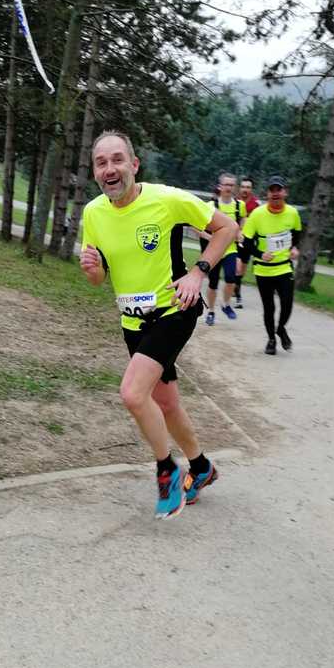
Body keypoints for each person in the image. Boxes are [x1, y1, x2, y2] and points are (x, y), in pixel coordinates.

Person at [80, 130, 238, 519]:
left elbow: (227, 229)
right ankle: (201, 467)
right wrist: (93, 268)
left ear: (134, 165)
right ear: (95, 172)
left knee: (133, 394)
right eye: (101, 163)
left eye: (117, 160)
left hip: (174, 310)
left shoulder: (167, 199)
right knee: (165, 403)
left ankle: (167, 470)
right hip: (132, 321)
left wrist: (198, 273)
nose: (109, 169)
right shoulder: (93, 213)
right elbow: (98, 279)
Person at [238, 174, 302, 355]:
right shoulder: (257, 214)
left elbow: (297, 233)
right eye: (272, 190)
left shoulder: (292, 213)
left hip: (284, 267)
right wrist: (260, 254)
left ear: (285, 192)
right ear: (267, 194)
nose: (275, 193)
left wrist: (294, 247)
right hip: (263, 270)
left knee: (287, 304)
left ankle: (280, 329)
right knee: (269, 307)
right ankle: (271, 339)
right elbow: (246, 242)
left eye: (278, 190)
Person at [199, 172, 243, 326]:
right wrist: (208, 237)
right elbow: (196, 226)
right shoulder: (210, 206)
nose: (228, 188)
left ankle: (226, 304)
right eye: (226, 184)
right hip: (215, 250)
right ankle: (211, 311)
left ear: (234, 187)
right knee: (213, 282)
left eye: (231, 185)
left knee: (231, 278)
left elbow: (242, 221)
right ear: (220, 186)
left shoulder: (239, 205)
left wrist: (240, 232)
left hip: (230, 249)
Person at [233, 176, 260, 310]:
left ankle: (235, 285)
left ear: (251, 189)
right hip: (234, 239)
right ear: (239, 188)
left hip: (248, 241)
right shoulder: (234, 202)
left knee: (242, 269)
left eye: (248, 187)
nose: (245, 190)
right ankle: (238, 296)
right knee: (237, 268)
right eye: (243, 187)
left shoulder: (256, 205)